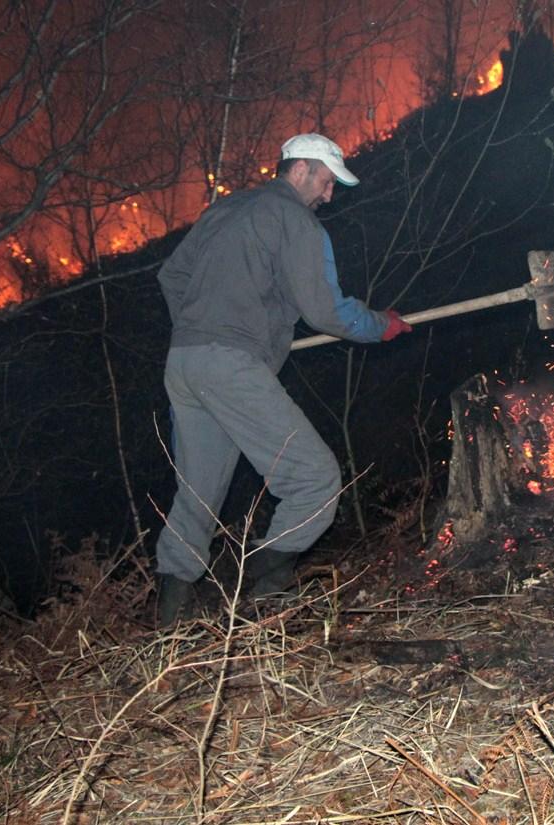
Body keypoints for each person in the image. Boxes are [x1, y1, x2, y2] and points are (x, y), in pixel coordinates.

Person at [154, 133, 411, 623]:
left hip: (185, 363)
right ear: (301, 170)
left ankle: (166, 630)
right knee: (315, 478)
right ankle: (264, 598)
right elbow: (324, 309)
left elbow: (171, 276)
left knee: (198, 496)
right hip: (230, 366)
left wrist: (201, 326)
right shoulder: (295, 220)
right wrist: (381, 325)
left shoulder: (227, 210)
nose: (329, 195)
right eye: (327, 181)